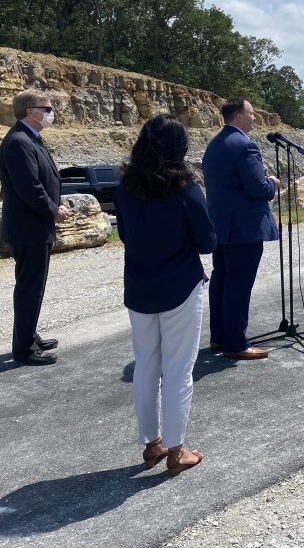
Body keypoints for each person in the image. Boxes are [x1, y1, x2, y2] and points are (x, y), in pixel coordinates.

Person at [116, 114, 215, 473]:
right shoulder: (186, 188)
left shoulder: (125, 186)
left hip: (140, 286)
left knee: (146, 365)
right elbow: (206, 242)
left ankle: (152, 444)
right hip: (180, 286)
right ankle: (177, 449)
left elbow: (125, 234)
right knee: (178, 369)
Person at [202, 97, 280, 360]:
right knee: (239, 285)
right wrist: (272, 183)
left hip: (221, 227)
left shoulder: (214, 144)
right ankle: (236, 343)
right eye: (251, 113)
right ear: (238, 116)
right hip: (244, 228)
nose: (255, 117)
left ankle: (219, 336)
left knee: (222, 280)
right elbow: (258, 188)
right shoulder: (244, 146)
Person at [0, 89, 71, 366]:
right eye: (47, 108)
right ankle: (24, 348)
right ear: (31, 111)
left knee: (33, 285)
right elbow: (30, 187)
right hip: (29, 228)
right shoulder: (19, 141)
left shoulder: (29, 139)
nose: (51, 112)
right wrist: (54, 211)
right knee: (30, 287)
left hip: (33, 226)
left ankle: (28, 335)